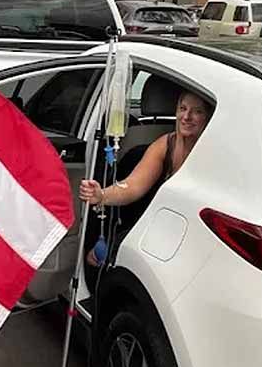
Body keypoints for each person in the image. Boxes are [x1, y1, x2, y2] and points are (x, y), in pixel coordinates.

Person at [79, 89, 213, 265]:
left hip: (199, 232)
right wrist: (102, 195)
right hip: (163, 227)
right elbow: (133, 186)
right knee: (98, 257)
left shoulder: (212, 152)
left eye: (197, 111)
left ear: (209, 118)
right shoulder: (166, 144)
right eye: (183, 108)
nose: (186, 116)